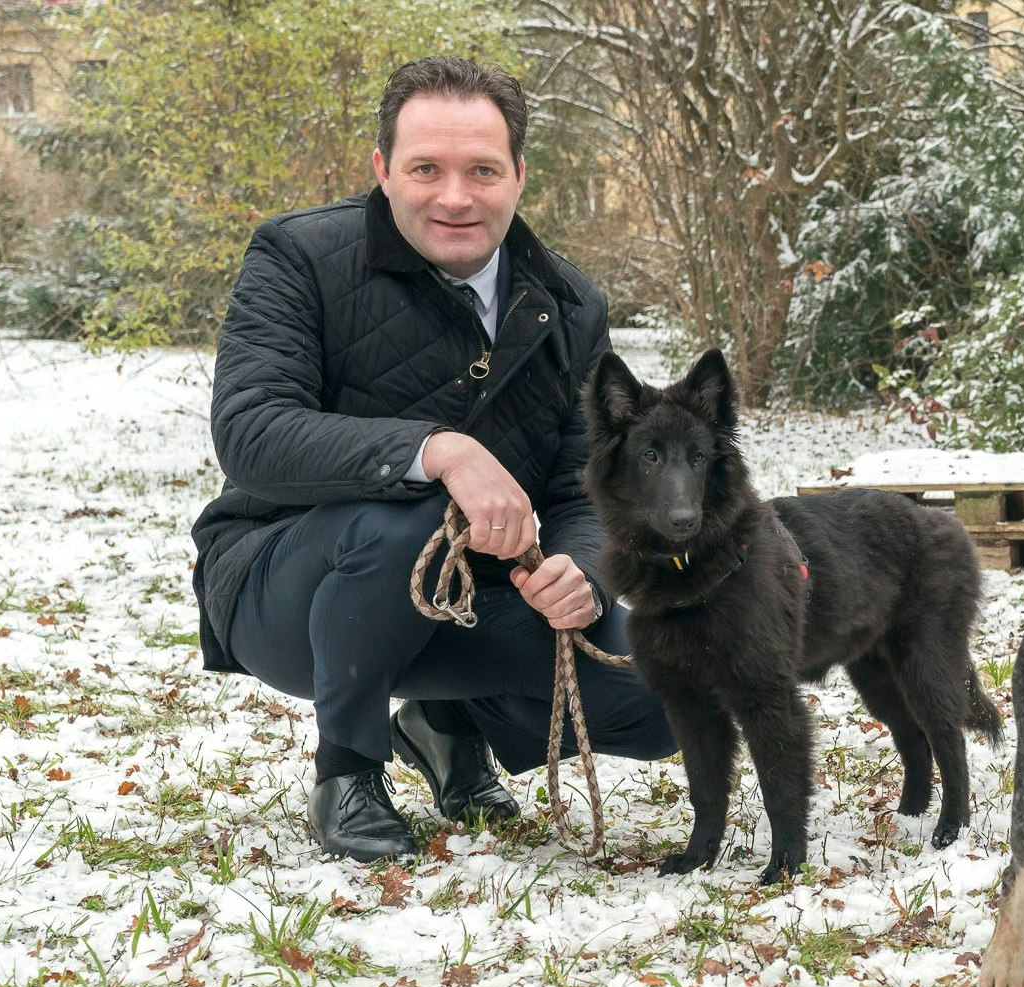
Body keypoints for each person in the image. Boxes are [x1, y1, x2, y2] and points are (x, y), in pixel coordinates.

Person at [190, 56, 675, 862]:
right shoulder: (297, 256)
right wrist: (436, 450)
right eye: (426, 169)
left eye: (482, 169)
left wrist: (584, 570)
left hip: (472, 598)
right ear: (383, 170)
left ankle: (447, 722)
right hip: (286, 590)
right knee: (410, 508)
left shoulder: (571, 303)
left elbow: (585, 486)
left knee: (665, 697)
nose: (455, 196)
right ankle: (348, 768)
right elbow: (250, 430)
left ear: (519, 174)